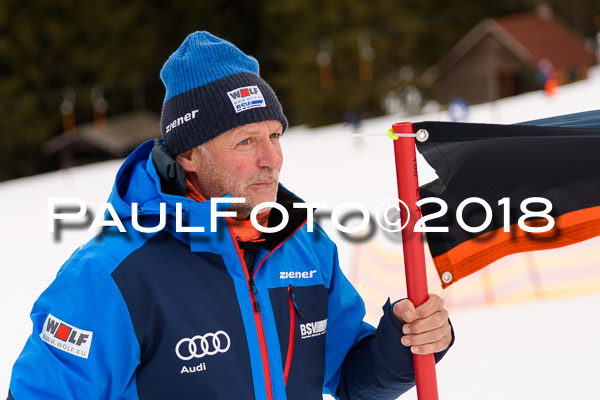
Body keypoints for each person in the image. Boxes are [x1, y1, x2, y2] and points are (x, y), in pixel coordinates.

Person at [7, 31, 453, 400]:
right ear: (189, 155)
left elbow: (352, 378)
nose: (271, 159)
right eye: (246, 141)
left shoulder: (306, 249)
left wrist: (405, 345)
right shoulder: (111, 276)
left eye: (274, 135)